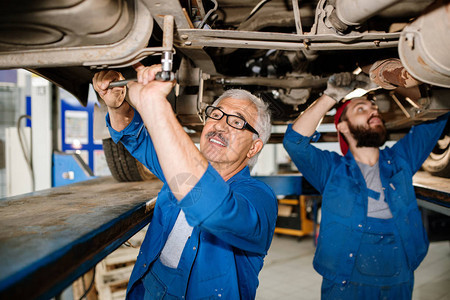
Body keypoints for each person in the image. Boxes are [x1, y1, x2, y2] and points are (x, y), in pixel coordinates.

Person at [92, 63, 277, 299]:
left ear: (254, 147)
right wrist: (117, 105)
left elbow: (214, 209)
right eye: (216, 114)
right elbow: (135, 137)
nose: (219, 125)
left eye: (237, 122)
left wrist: (156, 106)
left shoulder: (259, 197)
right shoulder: (178, 172)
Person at [283, 72, 449, 299]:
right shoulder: (331, 169)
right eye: (361, 109)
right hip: (346, 280)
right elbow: (294, 142)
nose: (373, 111)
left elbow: (439, 111)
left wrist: (390, 79)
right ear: (342, 126)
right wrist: (331, 96)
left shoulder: (401, 159)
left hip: (399, 275)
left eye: (374, 108)